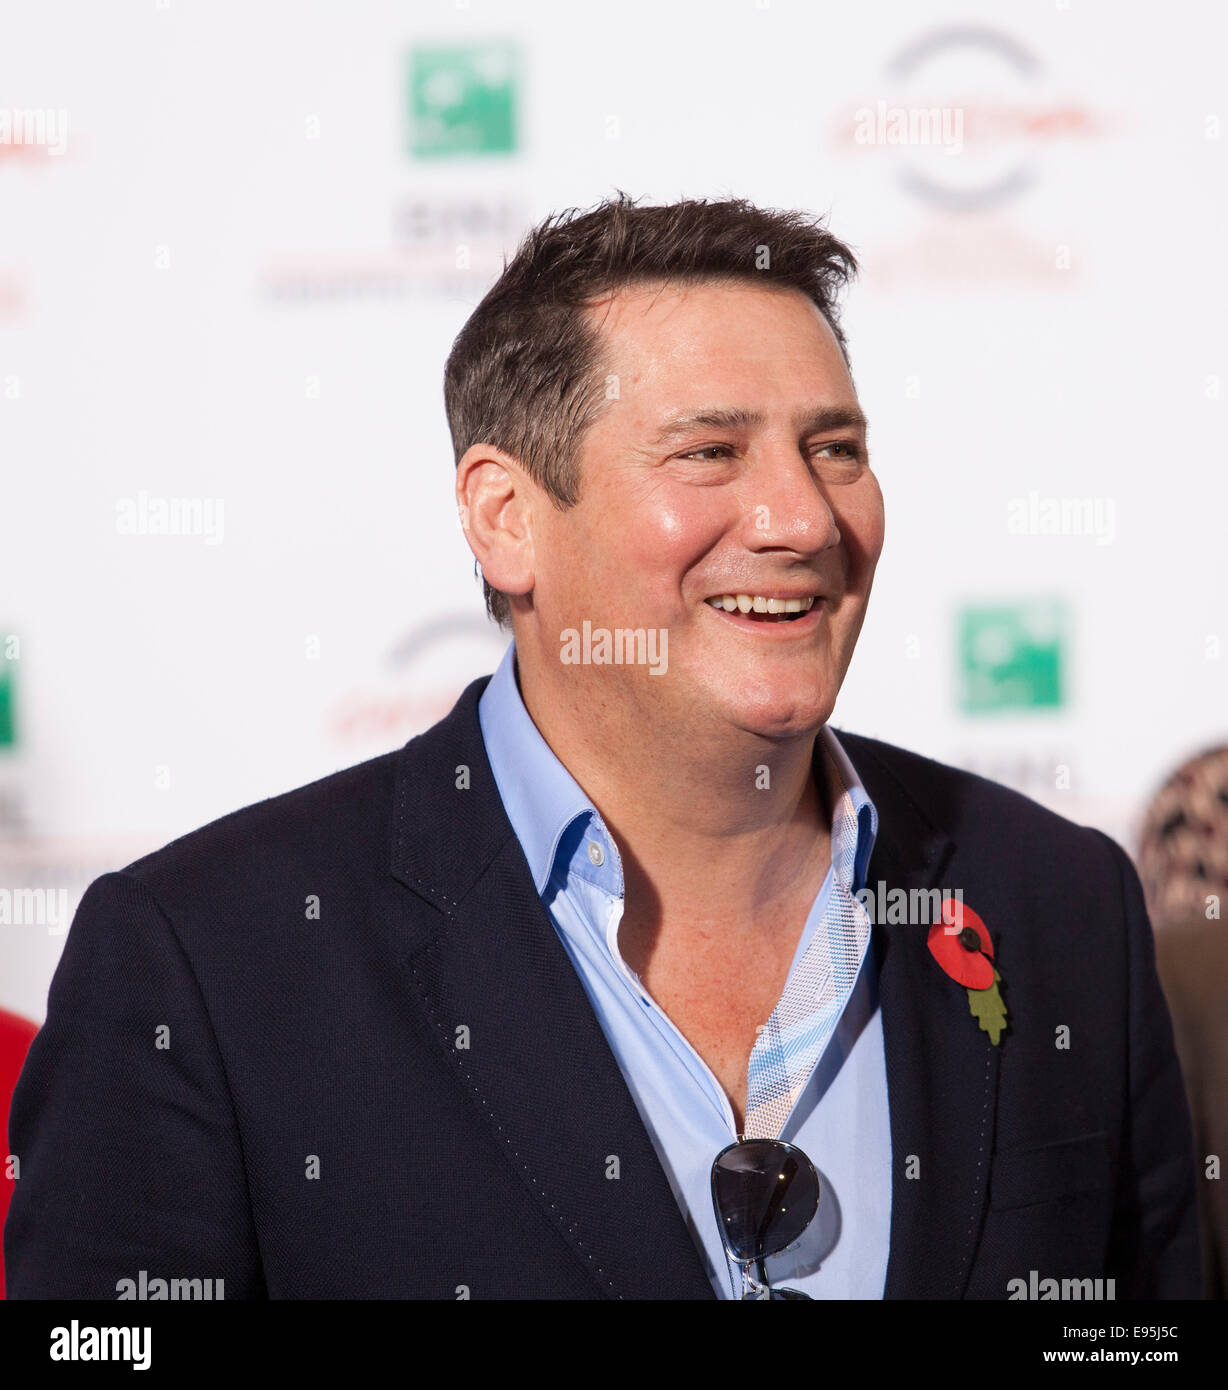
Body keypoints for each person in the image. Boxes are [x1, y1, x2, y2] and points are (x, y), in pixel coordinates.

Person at [5, 194, 1201, 1299]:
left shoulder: (1055, 902)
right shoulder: (209, 961)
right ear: (505, 518)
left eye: (833, 446)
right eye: (709, 451)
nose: (801, 517)